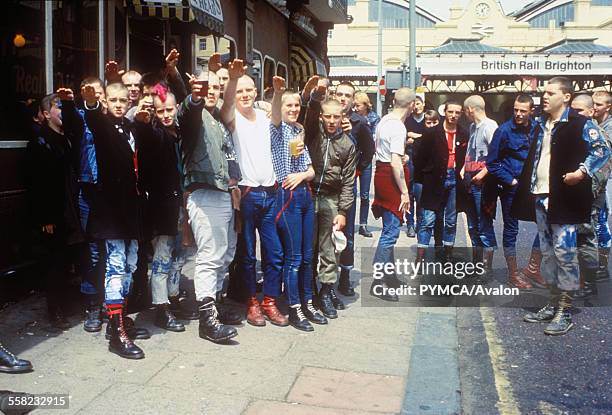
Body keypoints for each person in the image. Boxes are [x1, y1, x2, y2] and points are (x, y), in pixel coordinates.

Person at [514, 77, 610, 335]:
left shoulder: (580, 123)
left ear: (566, 97)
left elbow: (602, 150)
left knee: (565, 254)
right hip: (541, 196)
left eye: (550, 93)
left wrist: (582, 172)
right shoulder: (541, 124)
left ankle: (564, 311)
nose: (544, 97)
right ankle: (552, 303)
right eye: (543, 92)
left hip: (565, 200)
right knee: (548, 255)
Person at [81, 82, 150, 358]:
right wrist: (91, 105)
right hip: (111, 212)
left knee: (131, 265)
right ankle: (117, 334)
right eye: (113, 100)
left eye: (123, 100)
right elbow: (94, 121)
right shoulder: (103, 126)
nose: (119, 104)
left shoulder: (132, 127)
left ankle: (116, 321)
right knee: (116, 267)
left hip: (131, 211)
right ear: (106, 102)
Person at [220, 60, 288, 327]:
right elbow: (226, 105)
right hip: (247, 194)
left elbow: (278, 120)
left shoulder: (263, 116)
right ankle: (251, 303)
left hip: (270, 193)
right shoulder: (232, 118)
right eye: (240, 91)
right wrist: (234, 79)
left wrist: (279, 94)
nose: (245, 95)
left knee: (274, 252)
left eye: (249, 90)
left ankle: (270, 301)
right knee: (247, 255)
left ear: (257, 93)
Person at [177, 68, 242, 342]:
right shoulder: (198, 115)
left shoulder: (217, 120)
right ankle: (207, 320)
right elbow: (186, 113)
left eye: (216, 87)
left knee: (224, 254)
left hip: (225, 194)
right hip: (205, 194)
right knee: (209, 256)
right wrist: (194, 98)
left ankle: (215, 304)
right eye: (207, 87)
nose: (211, 91)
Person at [270, 76, 326, 331]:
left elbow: (311, 170)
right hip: (287, 197)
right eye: (288, 105)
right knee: (293, 257)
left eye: (295, 105)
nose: (293, 109)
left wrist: (303, 175)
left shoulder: (298, 130)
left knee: (306, 256)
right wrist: (278, 94)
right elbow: (274, 118)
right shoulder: (278, 130)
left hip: (304, 193)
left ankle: (308, 301)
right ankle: (294, 307)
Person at [26, 93, 84, 329]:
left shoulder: (68, 139)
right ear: (46, 113)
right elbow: (37, 184)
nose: (61, 111)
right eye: (57, 107)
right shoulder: (40, 142)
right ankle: (55, 310)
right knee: (56, 263)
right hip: (54, 212)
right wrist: (46, 217)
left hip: (70, 208)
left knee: (69, 259)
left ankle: (66, 303)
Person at [304, 79, 356, 319]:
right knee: (308, 247)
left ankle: (326, 291)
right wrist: (316, 97)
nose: (332, 121)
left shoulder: (347, 144)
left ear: (343, 115)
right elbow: (310, 112)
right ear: (322, 117)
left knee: (329, 249)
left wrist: (343, 212)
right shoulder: (314, 133)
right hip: (308, 193)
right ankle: (308, 290)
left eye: (337, 117)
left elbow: (348, 181)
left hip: (331, 198)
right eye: (328, 117)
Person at [60, 77, 107, 333]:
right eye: (88, 93)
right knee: (92, 252)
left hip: (110, 193)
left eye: (98, 93)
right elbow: (71, 123)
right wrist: (67, 104)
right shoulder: (80, 118)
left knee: (112, 250)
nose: (94, 97)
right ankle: (93, 304)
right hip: (88, 192)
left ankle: (113, 304)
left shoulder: (112, 119)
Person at [485, 95, 542, 289]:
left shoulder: (538, 128)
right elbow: (492, 163)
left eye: (523, 111)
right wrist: (511, 180)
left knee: (545, 225)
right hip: (512, 188)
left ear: (531, 111)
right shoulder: (503, 131)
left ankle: (534, 268)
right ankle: (513, 273)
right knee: (511, 230)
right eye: (516, 110)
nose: (518, 114)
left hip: (534, 187)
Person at [370, 88, 415, 301]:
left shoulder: (384, 120)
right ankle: (378, 281)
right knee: (391, 231)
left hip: (381, 172)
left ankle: (390, 276)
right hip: (391, 178)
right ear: (412, 105)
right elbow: (395, 162)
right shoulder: (398, 127)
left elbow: (387, 154)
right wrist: (405, 192)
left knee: (390, 227)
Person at [413, 101, 468, 266]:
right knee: (428, 219)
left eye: (457, 112)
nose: (453, 116)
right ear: (444, 112)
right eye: (450, 112)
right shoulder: (432, 133)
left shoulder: (464, 133)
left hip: (454, 179)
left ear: (461, 114)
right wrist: (425, 176)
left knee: (450, 220)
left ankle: (447, 254)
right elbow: (419, 157)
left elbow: (466, 156)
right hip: (434, 179)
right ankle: (420, 257)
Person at [334, 82, 375, 299]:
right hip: (326, 184)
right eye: (339, 94)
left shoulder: (359, 122)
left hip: (347, 186)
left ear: (353, 100)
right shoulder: (326, 115)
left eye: (347, 95)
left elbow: (369, 151)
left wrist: (357, 170)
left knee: (347, 231)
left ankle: (345, 277)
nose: (342, 98)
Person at [570, 94, 612, 299]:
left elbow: (601, 167)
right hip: (577, 192)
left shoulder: (596, 133)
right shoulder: (579, 129)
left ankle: (589, 284)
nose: (573, 113)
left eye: (578, 110)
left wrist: (588, 190)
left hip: (590, 193)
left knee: (587, 236)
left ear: (590, 112)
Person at [462, 95, 498, 270]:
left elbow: (497, 154)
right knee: (472, 225)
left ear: (470, 109)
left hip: (482, 184)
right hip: (470, 181)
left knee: (484, 225)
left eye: (465, 110)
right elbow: (471, 151)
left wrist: (483, 173)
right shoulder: (472, 127)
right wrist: (464, 168)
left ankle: (486, 268)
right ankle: (476, 264)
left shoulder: (490, 127)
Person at [592, 91, 612, 280]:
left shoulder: (609, 127)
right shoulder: (596, 124)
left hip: (605, 181)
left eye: (599, 104)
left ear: (608, 107)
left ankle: (603, 266)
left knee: (601, 223)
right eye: (593, 103)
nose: (595, 107)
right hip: (596, 180)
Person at [353, 92, 379, 238]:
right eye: (355, 105)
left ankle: (363, 224)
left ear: (365, 105)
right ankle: (350, 221)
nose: (356, 108)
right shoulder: (353, 118)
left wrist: (363, 164)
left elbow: (372, 141)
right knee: (351, 193)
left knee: (364, 194)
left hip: (366, 159)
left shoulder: (373, 119)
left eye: (358, 105)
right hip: (354, 159)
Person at [404, 95, 426, 238]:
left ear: (423, 104)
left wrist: (415, 136)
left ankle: (420, 223)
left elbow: (431, 136)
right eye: (414, 104)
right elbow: (403, 138)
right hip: (409, 159)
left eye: (418, 103)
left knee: (421, 194)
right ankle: (410, 224)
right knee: (409, 193)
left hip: (424, 161)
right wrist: (408, 138)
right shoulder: (407, 120)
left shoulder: (428, 119)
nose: (416, 107)